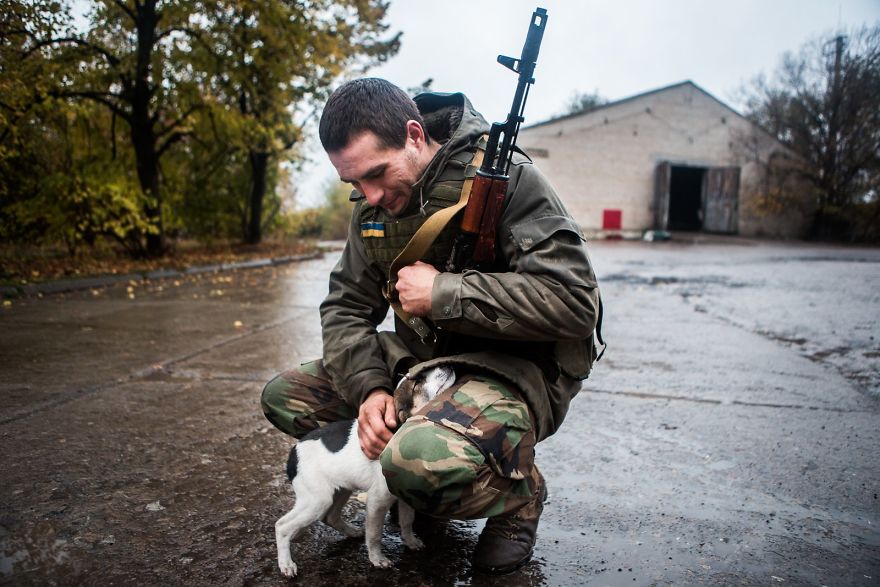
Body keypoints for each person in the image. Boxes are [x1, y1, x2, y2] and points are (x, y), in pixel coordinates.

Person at [261, 78, 601, 574]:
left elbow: (574, 302)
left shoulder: (511, 181)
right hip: (422, 369)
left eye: (377, 174)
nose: (370, 195)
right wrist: (370, 390)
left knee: (417, 460)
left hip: (509, 373)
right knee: (287, 396)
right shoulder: (372, 208)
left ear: (415, 135)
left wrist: (444, 293)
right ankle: (420, 479)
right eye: (354, 184)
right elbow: (345, 307)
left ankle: (518, 491)